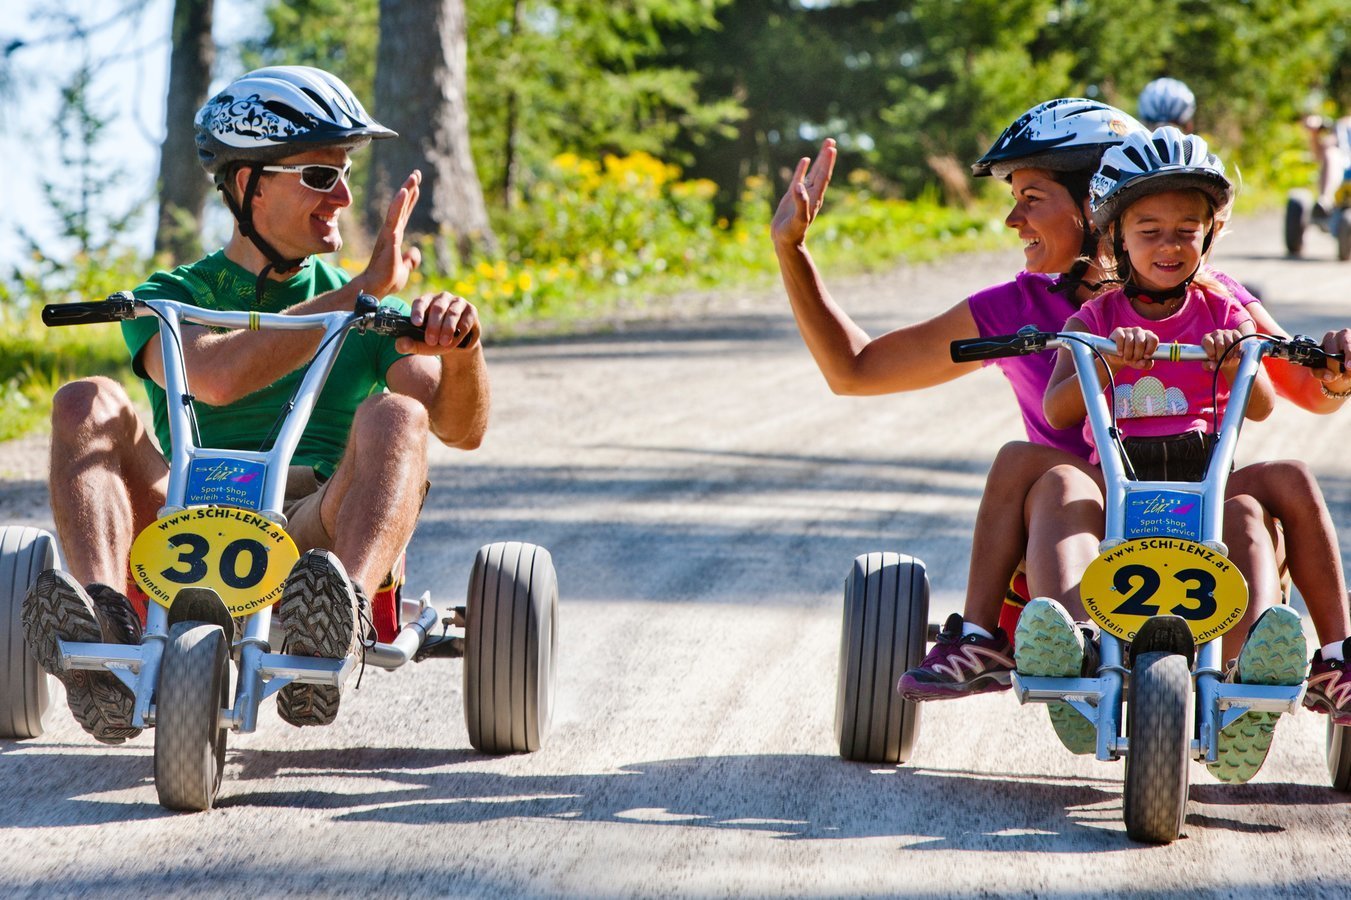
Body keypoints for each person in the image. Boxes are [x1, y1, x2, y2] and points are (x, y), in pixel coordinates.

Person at [773, 99, 1351, 770]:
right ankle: (1066, 651)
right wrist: (792, 252)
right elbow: (854, 370)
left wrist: (1337, 372)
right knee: (1043, 474)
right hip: (1073, 530)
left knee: (1262, 499)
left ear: (1091, 204)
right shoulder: (1017, 309)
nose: (1012, 219)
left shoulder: (1213, 298)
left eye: (1030, 198)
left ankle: (1282, 670)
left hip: (1200, 518)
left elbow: (1302, 389)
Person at [21, 66, 490, 743]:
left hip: (311, 534)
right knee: (84, 399)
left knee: (399, 414)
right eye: (321, 176)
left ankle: (336, 622)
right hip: (180, 515)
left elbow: (458, 428)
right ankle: (103, 627)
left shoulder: (367, 310)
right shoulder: (175, 293)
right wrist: (357, 291)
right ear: (249, 183)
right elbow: (213, 378)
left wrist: (462, 349)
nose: (343, 196)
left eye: (345, 174)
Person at [1036, 126, 1351, 778]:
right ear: (1116, 236)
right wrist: (1108, 365)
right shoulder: (1092, 320)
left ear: (1208, 236)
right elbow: (1057, 411)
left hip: (1206, 483)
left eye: (1186, 230)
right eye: (1149, 230)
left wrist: (1237, 357)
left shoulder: (1225, 310)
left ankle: (1303, 659)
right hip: (1118, 485)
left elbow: (1262, 405)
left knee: (1275, 489)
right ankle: (1075, 648)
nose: (1169, 244)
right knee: (1061, 486)